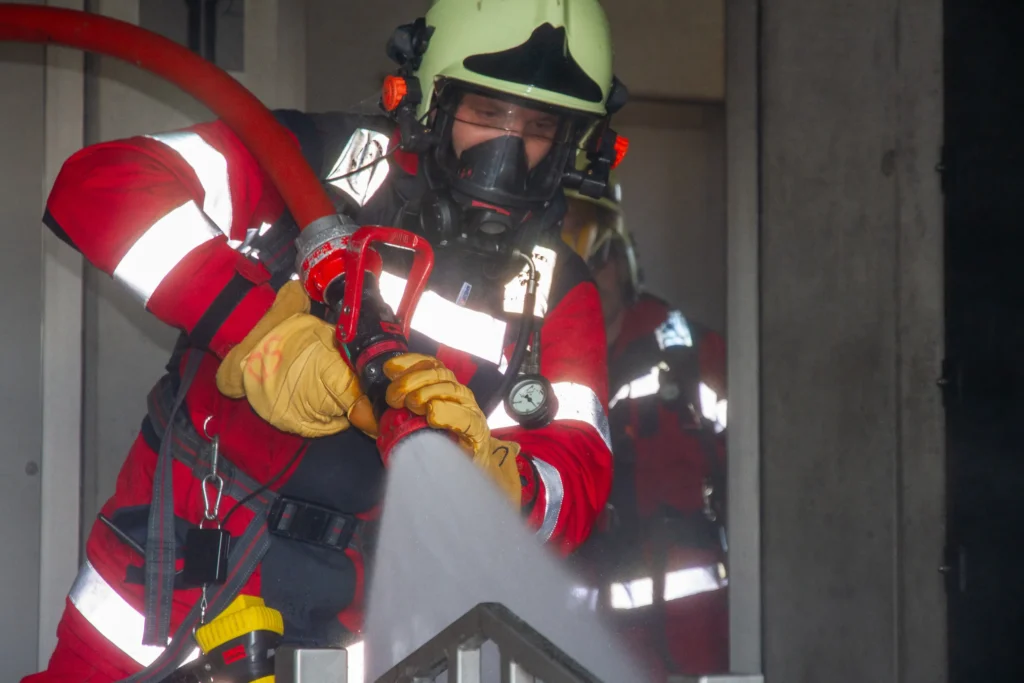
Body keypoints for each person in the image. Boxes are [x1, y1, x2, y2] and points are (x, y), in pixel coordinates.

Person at [26, 1, 630, 680]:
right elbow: (101, 186)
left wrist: (494, 473)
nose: (506, 157)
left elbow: (574, 478)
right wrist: (260, 332)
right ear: (429, 97)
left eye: (539, 128)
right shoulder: (310, 162)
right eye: (487, 115)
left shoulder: (556, 289)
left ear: (575, 146)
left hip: (347, 631)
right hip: (164, 586)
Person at [561, 175, 730, 679]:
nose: (599, 274)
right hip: (579, 626)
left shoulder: (691, 354)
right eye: (585, 262)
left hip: (686, 631)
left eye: (606, 258)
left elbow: (756, 471)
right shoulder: (536, 360)